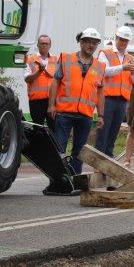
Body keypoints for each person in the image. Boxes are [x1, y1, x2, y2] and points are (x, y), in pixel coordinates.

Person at [50, 28, 105, 176]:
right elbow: (55, 81)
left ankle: (74, 178)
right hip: (64, 112)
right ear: (81, 42)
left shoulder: (100, 66)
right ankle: (58, 177)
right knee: (59, 147)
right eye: (87, 41)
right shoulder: (66, 58)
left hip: (85, 114)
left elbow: (100, 92)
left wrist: (101, 115)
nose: (91, 45)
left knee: (79, 149)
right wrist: (51, 105)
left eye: (94, 43)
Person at [95, 27, 134, 157]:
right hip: (107, 98)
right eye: (122, 39)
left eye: (126, 40)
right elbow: (104, 70)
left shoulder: (131, 57)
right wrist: (123, 67)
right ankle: (99, 160)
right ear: (116, 38)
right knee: (103, 131)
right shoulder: (105, 53)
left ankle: (108, 158)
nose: (123, 42)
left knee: (113, 132)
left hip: (122, 99)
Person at [24, 34, 57, 133]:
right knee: (38, 129)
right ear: (38, 45)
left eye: (47, 44)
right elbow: (27, 79)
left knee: (54, 128)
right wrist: (39, 71)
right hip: (36, 101)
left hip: (52, 101)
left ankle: (52, 149)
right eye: (42, 43)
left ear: (50, 45)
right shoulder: (30, 59)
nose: (45, 46)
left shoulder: (56, 59)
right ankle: (39, 148)